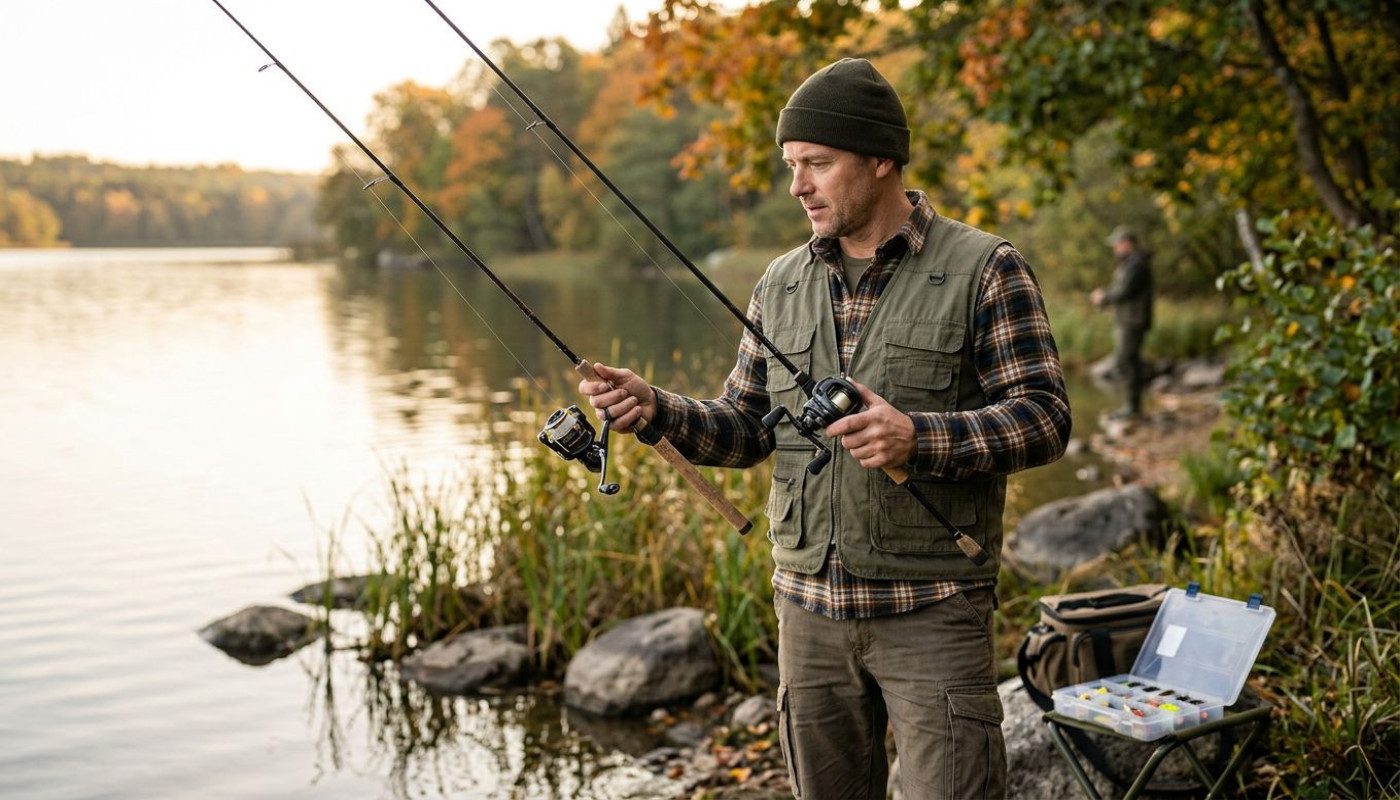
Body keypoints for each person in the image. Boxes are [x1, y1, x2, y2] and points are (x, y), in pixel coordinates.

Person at [579, 58, 1070, 799]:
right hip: (807, 615)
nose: (796, 185)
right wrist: (657, 407)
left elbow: (1045, 418)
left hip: (933, 610)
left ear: (881, 160)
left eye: (816, 163)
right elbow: (747, 429)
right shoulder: (778, 283)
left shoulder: (986, 269)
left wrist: (918, 438)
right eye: (791, 165)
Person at [1091, 225, 1154, 419]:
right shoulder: (1131, 263)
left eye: (1117, 244)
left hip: (1132, 321)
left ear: (1127, 243)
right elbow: (1121, 289)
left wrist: (1104, 296)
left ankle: (1132, 407)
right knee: (1129, 360)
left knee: (1126, 361)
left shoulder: (1136, 264)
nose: (1115, 248)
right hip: (1128, 319)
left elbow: (1123, 290)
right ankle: (1133, 405)